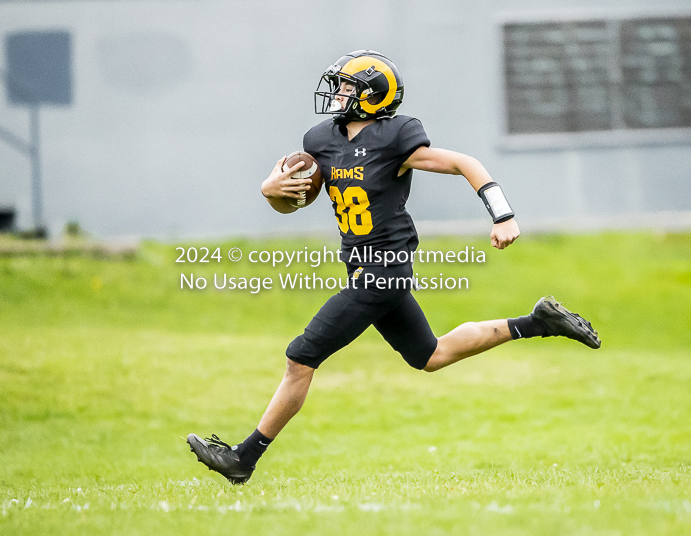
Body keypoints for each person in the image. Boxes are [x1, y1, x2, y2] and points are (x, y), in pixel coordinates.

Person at [187, 50, 600, 484]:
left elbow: (464, 163)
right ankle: (538, 322)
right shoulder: (320, 140)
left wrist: (503, 214)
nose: (337, 94)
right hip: (362, 268)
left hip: (383, 270)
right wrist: (271, 190)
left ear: (373, 96)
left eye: (348, 87)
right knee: (431, 355)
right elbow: (292, 205)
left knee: (300, 359)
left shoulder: (396, 136)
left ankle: (243, 459)